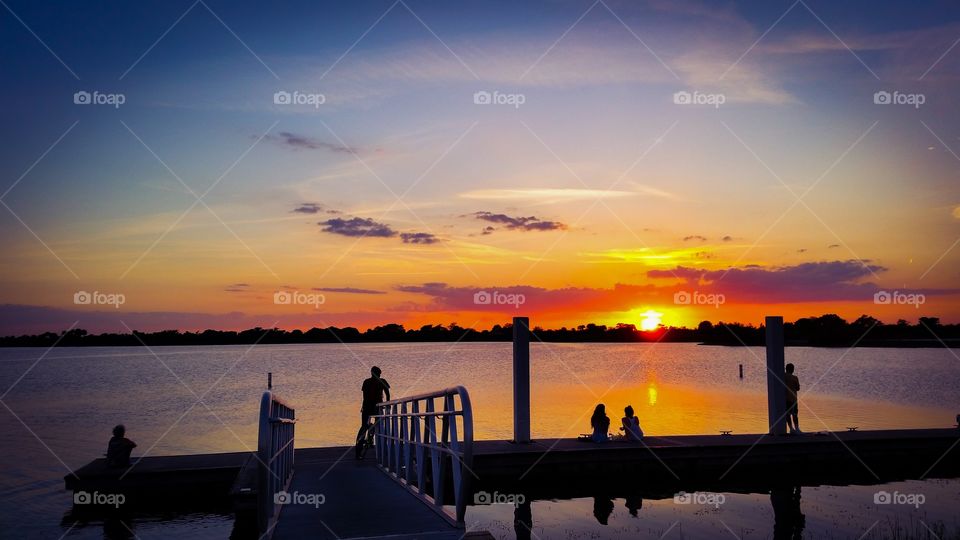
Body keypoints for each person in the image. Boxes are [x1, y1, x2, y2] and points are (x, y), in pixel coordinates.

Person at [356, 366, 391, 444]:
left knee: (364, 425)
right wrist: (388, 405)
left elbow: (364, 396)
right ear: (379, 374)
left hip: (367, 406)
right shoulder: (382, 381)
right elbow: (387, 394)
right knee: (378, 423)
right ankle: (371, 437)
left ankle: (360, 441)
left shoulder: (366, 382)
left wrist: (363, 406)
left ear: (371, 373)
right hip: (377, 407)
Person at [785, 363, 802, 434]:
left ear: (786, 369)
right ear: (792, 369)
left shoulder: (783, 376)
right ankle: (797, 429)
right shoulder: (795, 378)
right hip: (793, 399)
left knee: (787, 414)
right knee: (795, 414)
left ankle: (791, 429)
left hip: (786, 399)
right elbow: (798, 388)